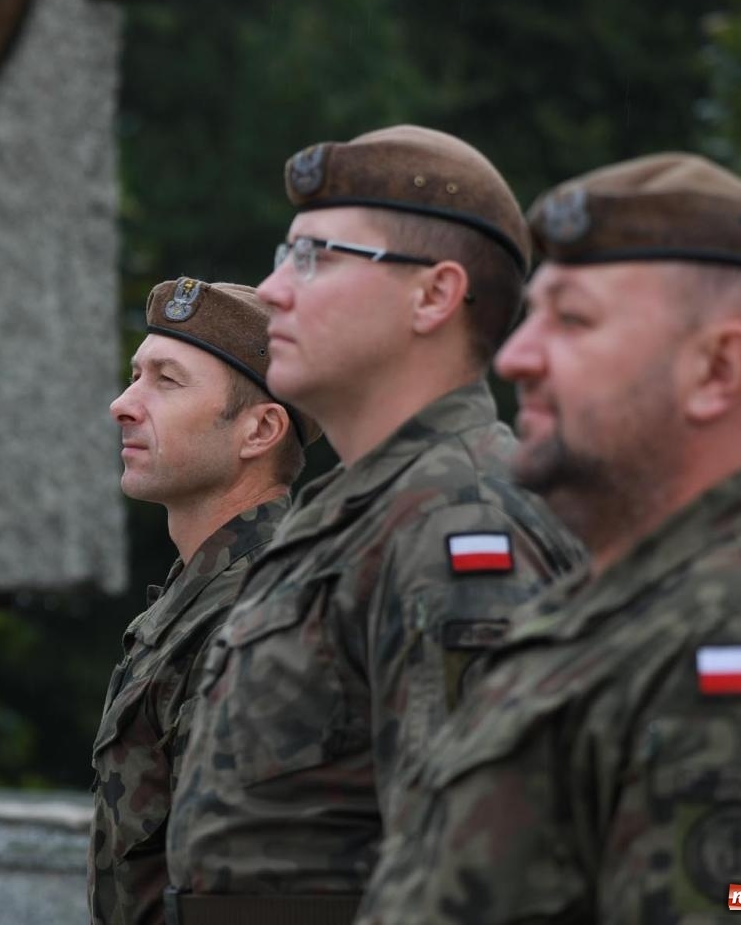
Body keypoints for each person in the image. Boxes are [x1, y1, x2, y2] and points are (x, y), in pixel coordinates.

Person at [356, 152, 741, 923]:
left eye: (572, 320)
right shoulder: (599, 615)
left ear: (717, 369)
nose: (516, 356)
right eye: (532, 314)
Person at [165, 125, 584, 923]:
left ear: (434, 295)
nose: (274, 288)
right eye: (285, 254)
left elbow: (482, 881)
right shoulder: (358, 510)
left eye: (315, 258)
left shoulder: (460, 522)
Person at [91, 277, 322, 925]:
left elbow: (252, 893)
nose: (123, 404)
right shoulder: (200, 597)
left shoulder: (265, 610)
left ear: (260, 430)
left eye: (166, 381)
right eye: (135, 375)